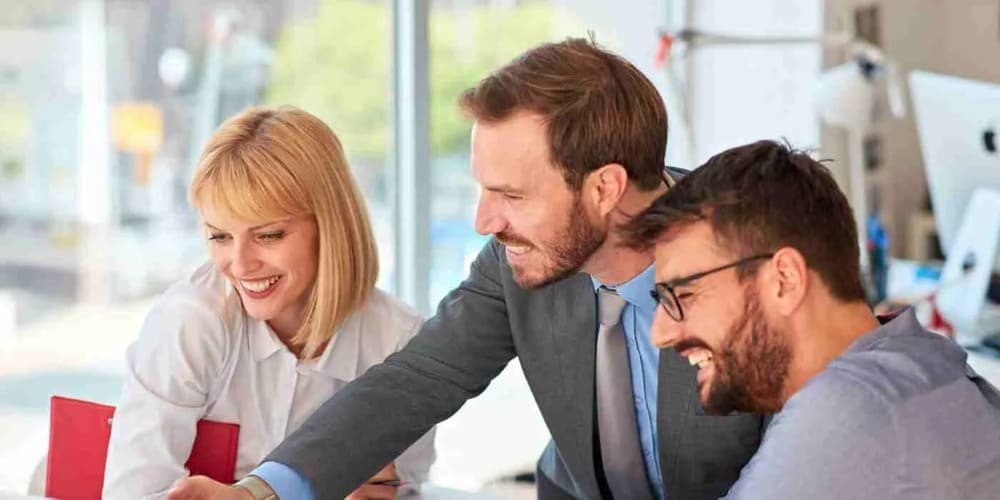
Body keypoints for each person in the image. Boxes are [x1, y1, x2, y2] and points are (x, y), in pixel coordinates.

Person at [168, 38, 766, 500]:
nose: (485, 221)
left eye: (511, 195)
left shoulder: (750, 265)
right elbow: (413, 381)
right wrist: (260, 492)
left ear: (605, 187)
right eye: (482, 190)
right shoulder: (517, 262)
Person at [623, 139, 1000, 499]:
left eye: (682, 295)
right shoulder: (920, 364)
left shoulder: (850, 410)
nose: (661, 333)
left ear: (785, 279)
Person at [103, 106, 435, 500]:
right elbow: (132, 491)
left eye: (269, 235)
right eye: (220, 237)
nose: (240, 265)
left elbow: (404, 487)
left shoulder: (398, 340)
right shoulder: (191, 322)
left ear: (329, 227)